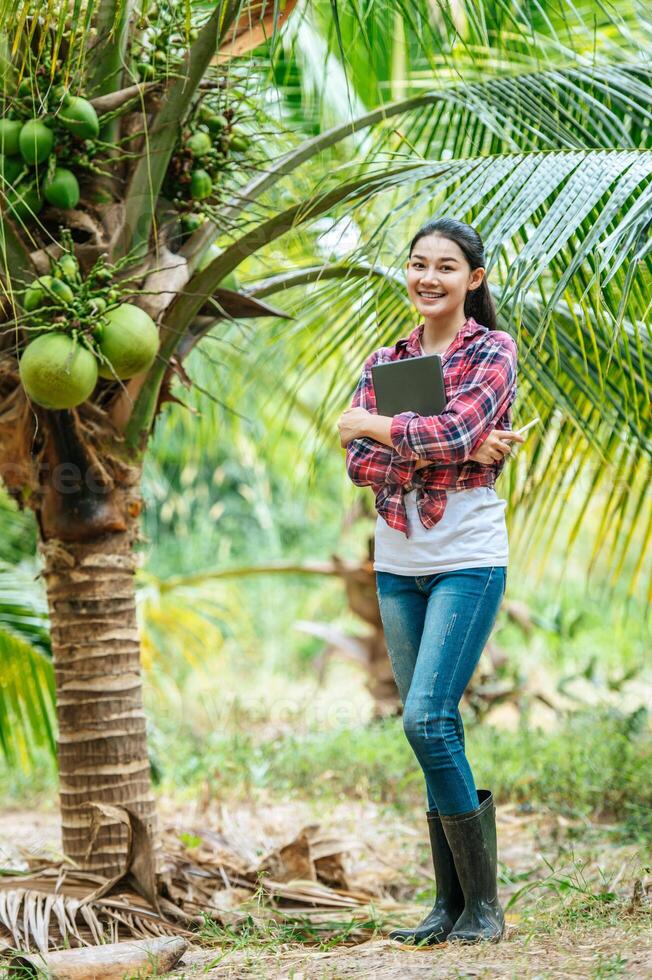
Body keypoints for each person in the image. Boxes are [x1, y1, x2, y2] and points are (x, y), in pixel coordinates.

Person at [338, 217, 525, 946]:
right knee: (428, 733)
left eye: (446, 267)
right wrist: (457, 444)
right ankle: (449, 907)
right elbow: (360, 464)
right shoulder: (388, 358)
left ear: (472, 280)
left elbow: (410, 436)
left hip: (467, 558)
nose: (429, 278)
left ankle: (485, 908)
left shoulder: (493, 351)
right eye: (418, 264)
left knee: (427, 718)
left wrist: (381, 427)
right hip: (398, 563)